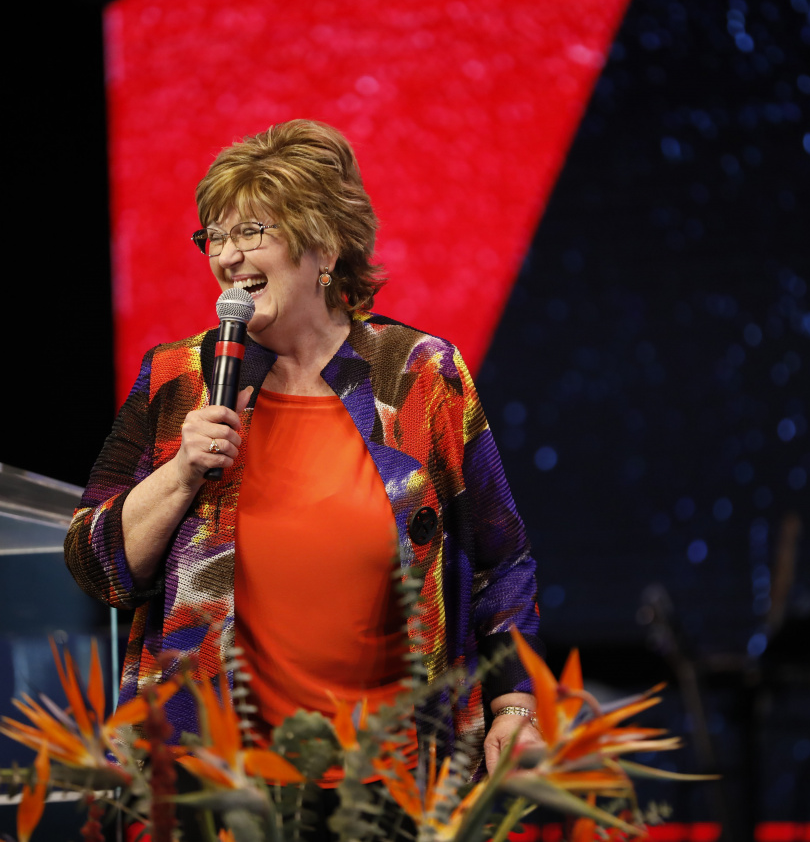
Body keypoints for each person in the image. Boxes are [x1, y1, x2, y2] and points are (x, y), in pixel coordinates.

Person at [63, 119, 544, 783]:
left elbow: (501, 561)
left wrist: (514, 708)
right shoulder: (178, 379)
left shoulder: (419, 375)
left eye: (251, 232)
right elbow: (95, 568)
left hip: (395, 782)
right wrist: (180, 473)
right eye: (215, 237)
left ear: (324, 247)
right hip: (220, 786)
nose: (227, 256)